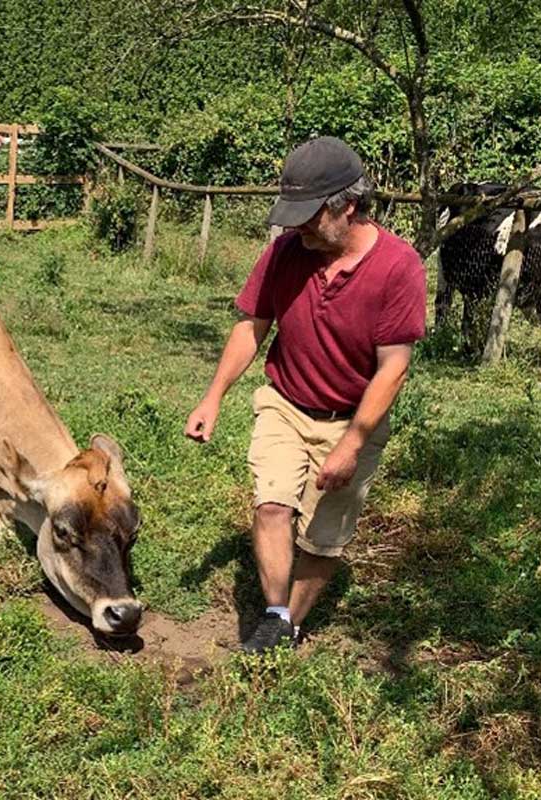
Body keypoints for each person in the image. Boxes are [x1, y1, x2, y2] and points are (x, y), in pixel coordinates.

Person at [185, 136, 426, 653]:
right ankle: (274, 615)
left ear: (349, 207)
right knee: (271, 505)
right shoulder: (285, 254)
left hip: (352, 419)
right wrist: (213, 396)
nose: (298, 228)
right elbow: (251, 327)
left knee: (323, 537)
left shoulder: (399, 267)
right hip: (285, 403)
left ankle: (291, 622)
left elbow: (392, 371)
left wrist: (352, 444)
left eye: (310, 216)